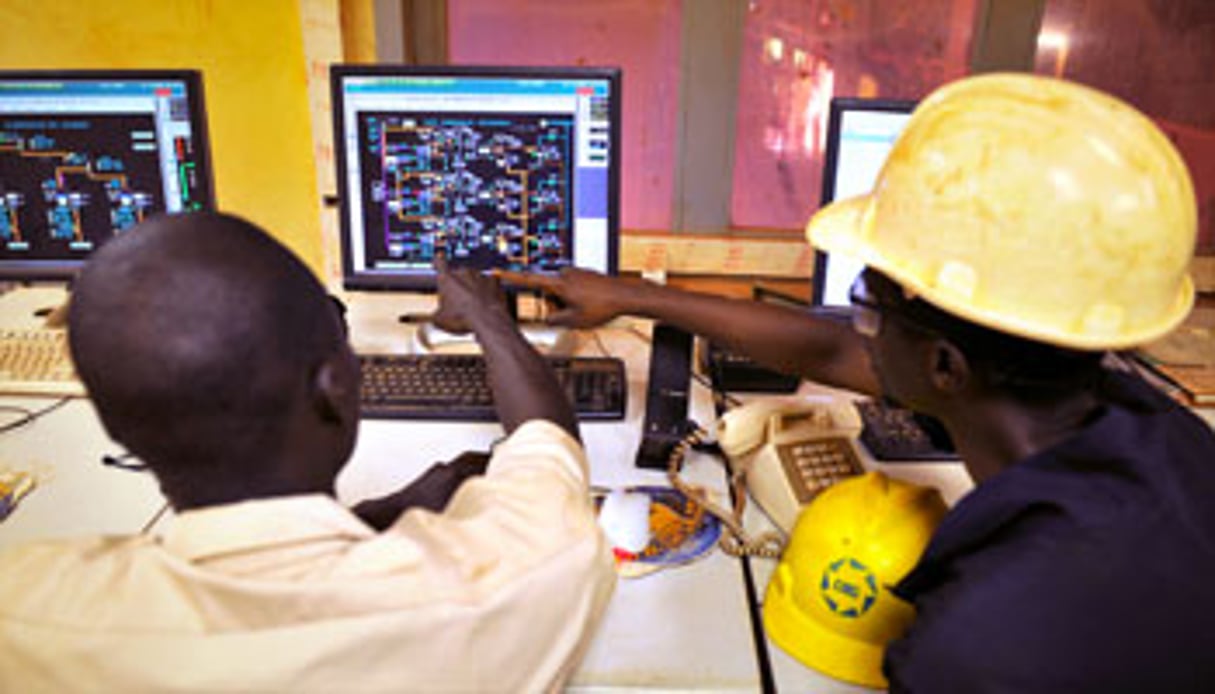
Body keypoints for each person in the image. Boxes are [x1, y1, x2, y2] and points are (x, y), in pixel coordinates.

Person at [502, 73, 1215, 691]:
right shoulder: (1162, 436)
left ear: (945, 367)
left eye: (868, 305)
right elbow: (840, 349)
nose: (856, 325)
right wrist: (635, 296)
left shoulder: (981, 643)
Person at [0, 212, 615, 691]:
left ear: (115, 425)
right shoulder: (516, 574)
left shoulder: (25, 613)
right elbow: (548, 449)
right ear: (337, 387)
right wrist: (487, 316)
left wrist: (373, 517)